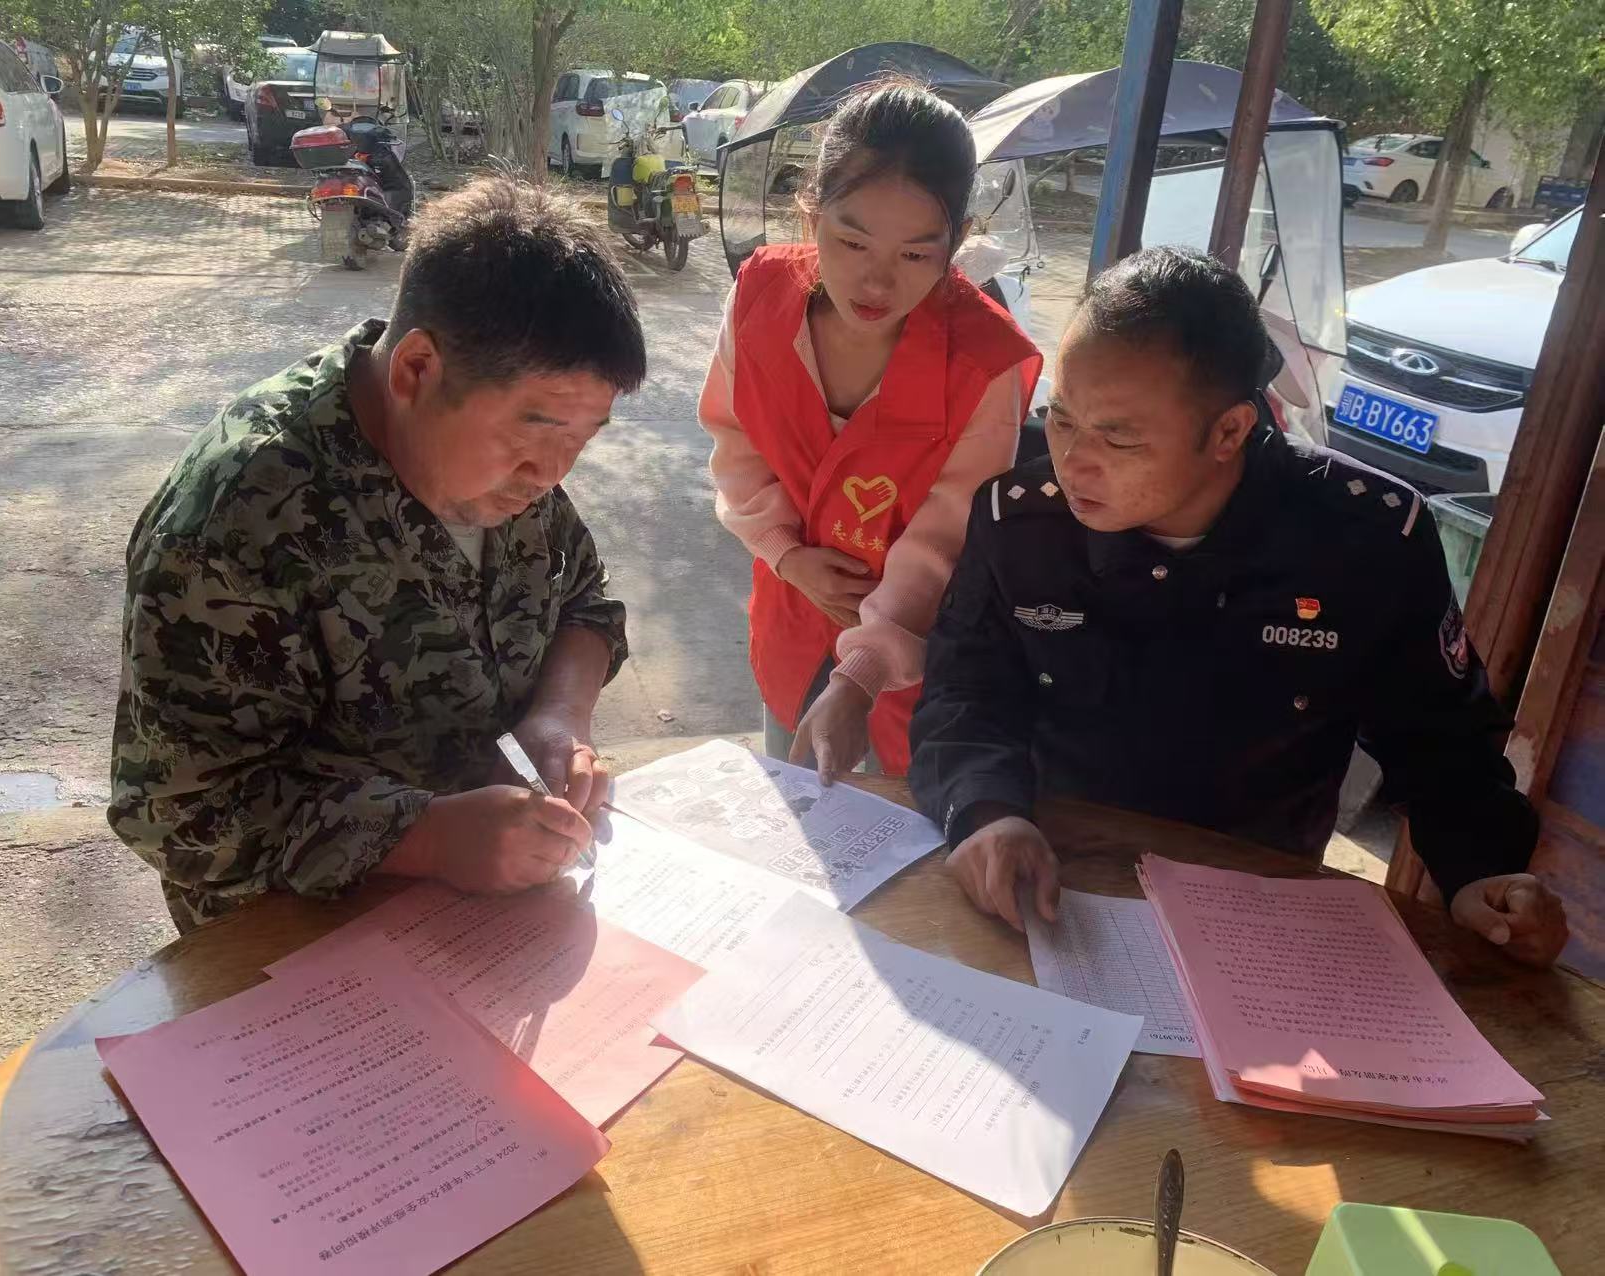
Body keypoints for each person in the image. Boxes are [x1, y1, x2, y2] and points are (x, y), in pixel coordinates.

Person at [910, 245, 1570, 968]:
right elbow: (965, 690)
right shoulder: (1020, 524)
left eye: (1118, 437)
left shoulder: (1366, 540)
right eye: (1062, 419)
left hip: (1259, 910)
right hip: (1055, 888)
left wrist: (1481, 870)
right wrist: (984, 812)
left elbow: (1441, 737)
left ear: (1228, 431)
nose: (1072, 463)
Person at [109, 178, 644, 932]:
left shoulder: (494, 464)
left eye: (582, 439)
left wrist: (559, 717)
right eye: (535, 435)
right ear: (417, 369)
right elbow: (179, 815)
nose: (552, 476)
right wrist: (429, 839)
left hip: (494, 909)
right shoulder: (240, 516)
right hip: (302, 937)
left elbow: (584, 597)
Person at [699, 81, 1042, 781]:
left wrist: (863, 669)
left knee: (899, 825)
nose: (876, 282)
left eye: (915, 255)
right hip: (791, 616)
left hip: (914, 653)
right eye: (851, 241)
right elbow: (735, 442)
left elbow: (948, 532)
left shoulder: (983, 363)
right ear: (810, 212)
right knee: (794, 796)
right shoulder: (759, 299)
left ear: (958, 242)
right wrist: (785, 553)